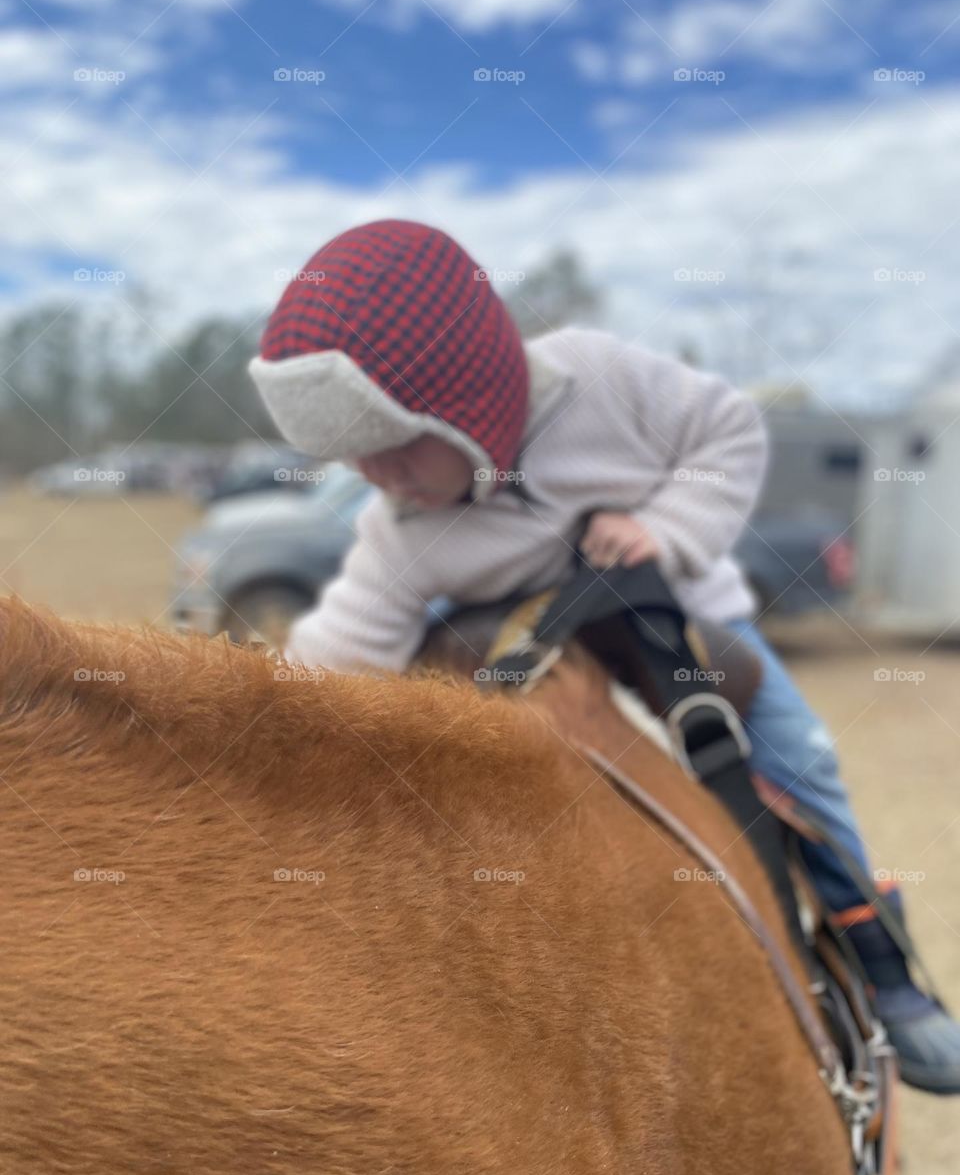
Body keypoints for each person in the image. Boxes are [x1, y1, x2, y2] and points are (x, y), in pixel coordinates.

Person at [249, 217, 960, 1094]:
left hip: (673, 617)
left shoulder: (600, 378)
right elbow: (338, 656)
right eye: (353, 454)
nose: (378, 475)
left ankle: (883, 964)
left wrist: (664, 526)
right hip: (531, 646)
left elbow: (728, 432)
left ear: (470, 393)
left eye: (395, 441)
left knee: (800, 757)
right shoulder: (400, 530)